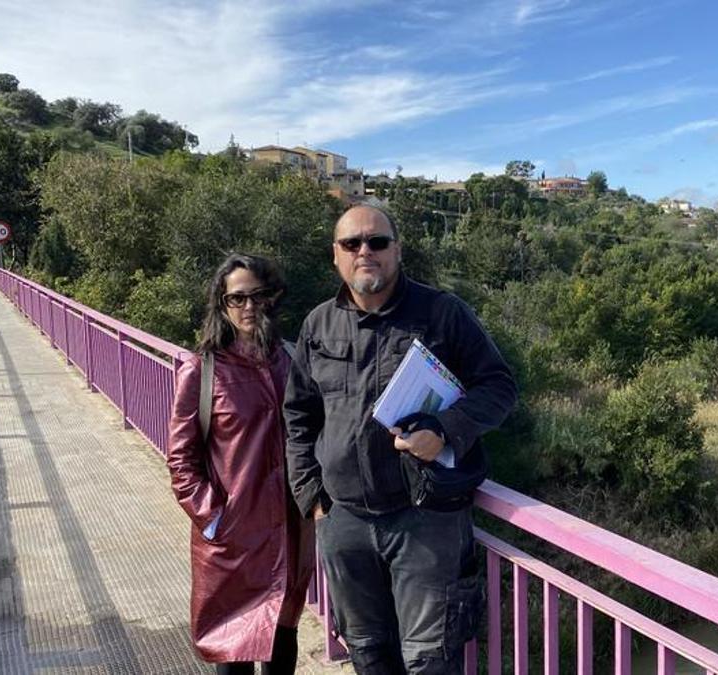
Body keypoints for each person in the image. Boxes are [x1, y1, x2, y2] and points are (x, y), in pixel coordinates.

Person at [283, 206, 517, 675]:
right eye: (352, 244)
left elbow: (499, 386)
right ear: (336, 256)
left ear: (397, 249)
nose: (364, 251)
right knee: (368, 652)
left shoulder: (441, 313)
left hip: (425, 519)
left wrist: (445, 430)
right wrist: (311, 495)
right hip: (343, 519)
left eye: (377, 242)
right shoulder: (318, 324)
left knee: (429, 660)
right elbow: (298, 414)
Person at [167, 253, 314, 674]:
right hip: (232, 539)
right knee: (233, 654)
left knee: (282, 642)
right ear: (222, 303)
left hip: (288, 531)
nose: (249, 307)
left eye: (258, 296)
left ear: (272, 299)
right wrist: (214, 519)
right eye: (237, 298)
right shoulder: (203, 370)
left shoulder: (292, 361)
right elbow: (181, 460)